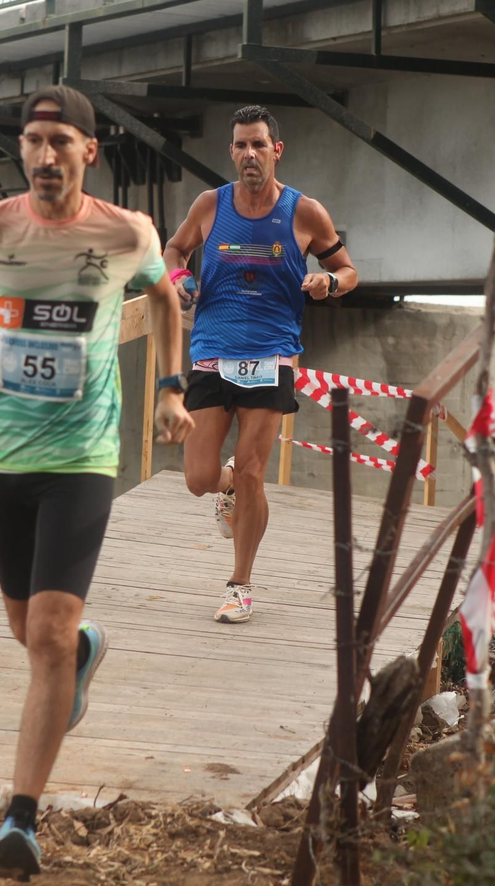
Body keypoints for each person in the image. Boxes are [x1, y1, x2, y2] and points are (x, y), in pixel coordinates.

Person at [0, 85, 194, 879]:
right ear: (21, 150)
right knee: (32, 636)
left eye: (61, 141)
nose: (45, 154)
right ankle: (85, 653)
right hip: (0, 459)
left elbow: (166, 298)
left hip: (83, 461)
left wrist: (171, 390)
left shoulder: (126, 233)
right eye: (33, 141)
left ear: (89, 152)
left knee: (49, 638)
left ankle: (21, 819)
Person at [162, 104, 358, 624]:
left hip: (273, 354)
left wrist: (329, 282)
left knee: (253, 471)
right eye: (241, 145)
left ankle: (240, 584)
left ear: (277, 150)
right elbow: (174, 250)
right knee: (200, 478)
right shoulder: (210, 205)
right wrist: (181, 281)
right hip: (211, 353)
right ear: (231, 152)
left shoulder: (304, 212)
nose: (250, 154)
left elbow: (347, 268)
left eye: (258, 144)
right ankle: (224, 487)